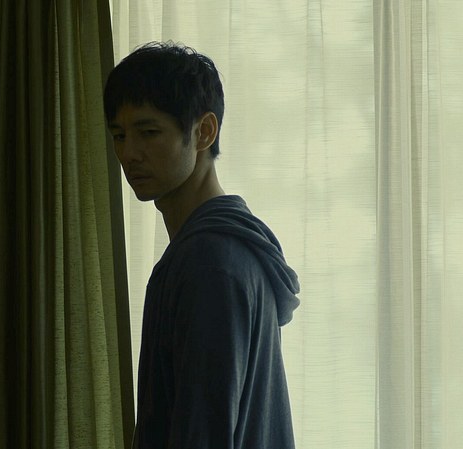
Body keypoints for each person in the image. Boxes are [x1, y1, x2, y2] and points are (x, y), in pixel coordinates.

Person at [104, 42, 301, 449]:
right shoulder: (219, 250)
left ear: (204, 131)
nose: (129, 153)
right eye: (119, 135)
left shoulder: (210, 262)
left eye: (148, 132)